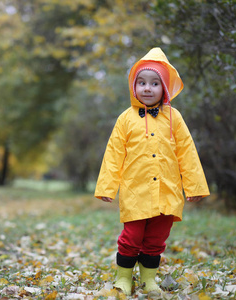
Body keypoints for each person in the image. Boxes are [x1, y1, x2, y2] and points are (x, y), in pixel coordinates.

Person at [95, 47, 209, 296]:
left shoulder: (174, 118)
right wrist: (107, 187)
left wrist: (195, 186)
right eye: (142, 83)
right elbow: (114, 154)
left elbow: (187, 152)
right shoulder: (126, 118)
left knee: (156, 238)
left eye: (155, 83)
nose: (147, 88)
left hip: (167, 191)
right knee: (131, 237)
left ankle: (149, 279)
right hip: (136, 191)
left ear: (165, 88)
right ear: (133, 87)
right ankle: (124, 278)